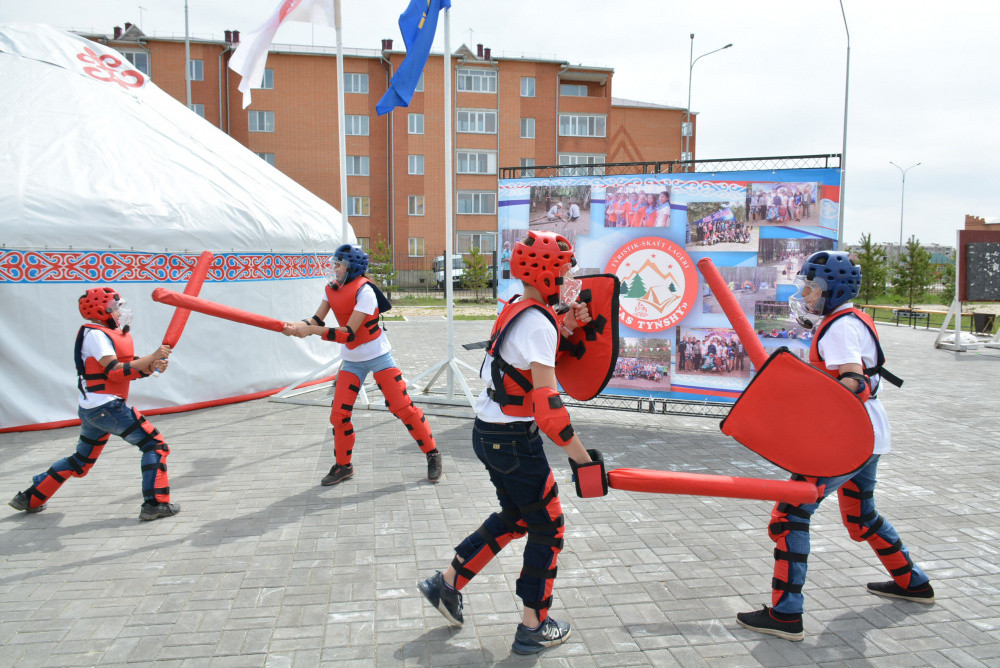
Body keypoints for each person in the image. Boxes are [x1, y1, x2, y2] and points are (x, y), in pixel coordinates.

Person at [736, 250, 933, 642]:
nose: (805, 295)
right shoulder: (848, 319)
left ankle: (786, 614)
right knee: (862, 517)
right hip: (868, 435)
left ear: (833, 289)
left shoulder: (840, 327)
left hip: (847, 439)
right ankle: (913, 583)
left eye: (811, 288)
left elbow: (853, 382)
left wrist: (810, 414)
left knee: (789, 515)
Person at [418, 230, 595, 656]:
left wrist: (569, 324)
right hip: (514, 440)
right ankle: (534, 626)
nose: (570, 280)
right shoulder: (538, 323)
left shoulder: (520, 306)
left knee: (518, 518)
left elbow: (524, 359)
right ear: (549, 273)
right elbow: (549, 412)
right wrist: (582, 459)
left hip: (489, 431)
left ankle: (446, 584)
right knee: (548, 526)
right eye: (565, 271)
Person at [8, 287, 178, 521]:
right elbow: (114, 371)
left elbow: (123, 371)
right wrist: (152, 357)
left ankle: (29, 498)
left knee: (81, 462)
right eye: (116, 308)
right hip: (107, 409)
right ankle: (155, 504)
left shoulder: (101, 334)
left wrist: (150, 367)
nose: (120, 313)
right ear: (101, 310)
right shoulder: (96, 335)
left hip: (94, 410)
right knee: (155, 445)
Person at [284, 244, 442, 485]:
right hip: (352, 360)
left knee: (401, 407)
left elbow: (348, 333)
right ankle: (343, 466)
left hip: (378, 355)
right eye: (335, 264)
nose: (334, 268)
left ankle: (432, 453)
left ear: (352, 267)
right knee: (339, 415)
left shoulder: (365, 291)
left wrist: (310, 331)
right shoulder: (331, 289)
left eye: (339, 264)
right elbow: (316, 319)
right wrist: (296, 326)